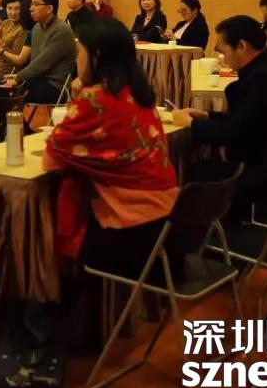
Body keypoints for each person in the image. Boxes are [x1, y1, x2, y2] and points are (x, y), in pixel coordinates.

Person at [43, 18, 178, 281]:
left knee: (46, 232)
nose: (77, 60)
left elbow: (51, 161)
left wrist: (80, 98)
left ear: (96, 56)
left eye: (80, 52)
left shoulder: (96, 100)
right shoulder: (138, 92)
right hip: (165, 223)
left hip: (129, 231)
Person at [173, 16, 267, 221]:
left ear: (242, 46)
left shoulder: (261, 79)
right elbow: (248, 121)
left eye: (224, 51)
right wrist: (207, 115)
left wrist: (192, 125)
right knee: (200, 168)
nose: (224, 58)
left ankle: (210, 234)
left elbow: (236, 135)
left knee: (188, 176)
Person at [4, 0, 76, 105]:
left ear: (49, 8)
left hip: (55, 85)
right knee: (1, 90)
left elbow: (42, 64)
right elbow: (35, 63)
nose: (31, 8)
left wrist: (17, 79)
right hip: (37, 80)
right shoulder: (37, 28)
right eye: (31, 4)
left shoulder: (61, 30)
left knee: (13, 97)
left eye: (36, 4)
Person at [0, 0, 30, 80]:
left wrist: (0, 41)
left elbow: (15, 60)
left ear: (23, 9)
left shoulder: (23, 29)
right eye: (9, 8)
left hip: (7, 73)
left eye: (17, 9)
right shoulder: (5, 22)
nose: (13, 13)